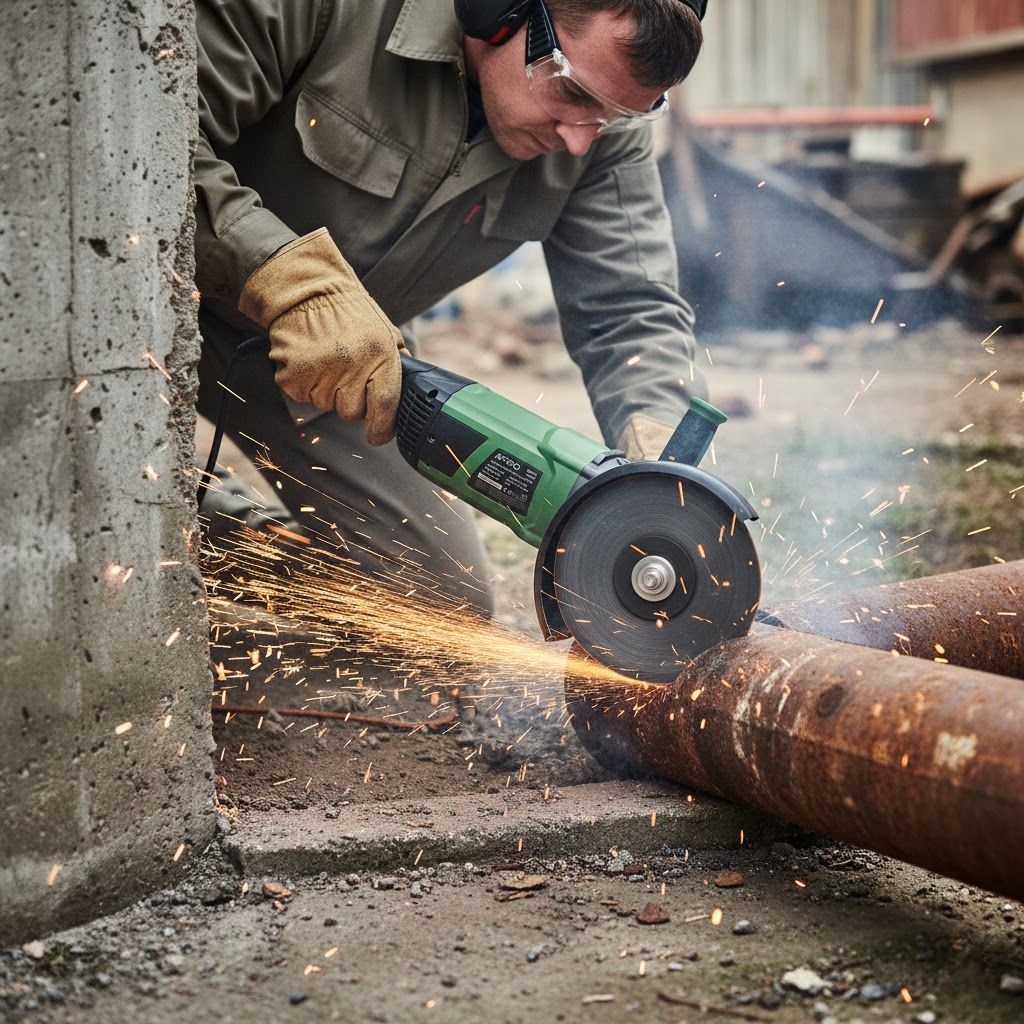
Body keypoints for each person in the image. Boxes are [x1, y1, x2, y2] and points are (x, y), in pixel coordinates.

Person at [194, 0, 709, 614]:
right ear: (498, 11)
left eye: (618, 111)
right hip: (149, 307)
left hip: (342, 362)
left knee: (437, 597)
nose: (579, 138)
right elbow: (148, 149)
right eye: (572, 93)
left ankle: (183, 522)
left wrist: (664, 459)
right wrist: (285, 279)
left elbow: (630, 309)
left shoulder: (600, 129)